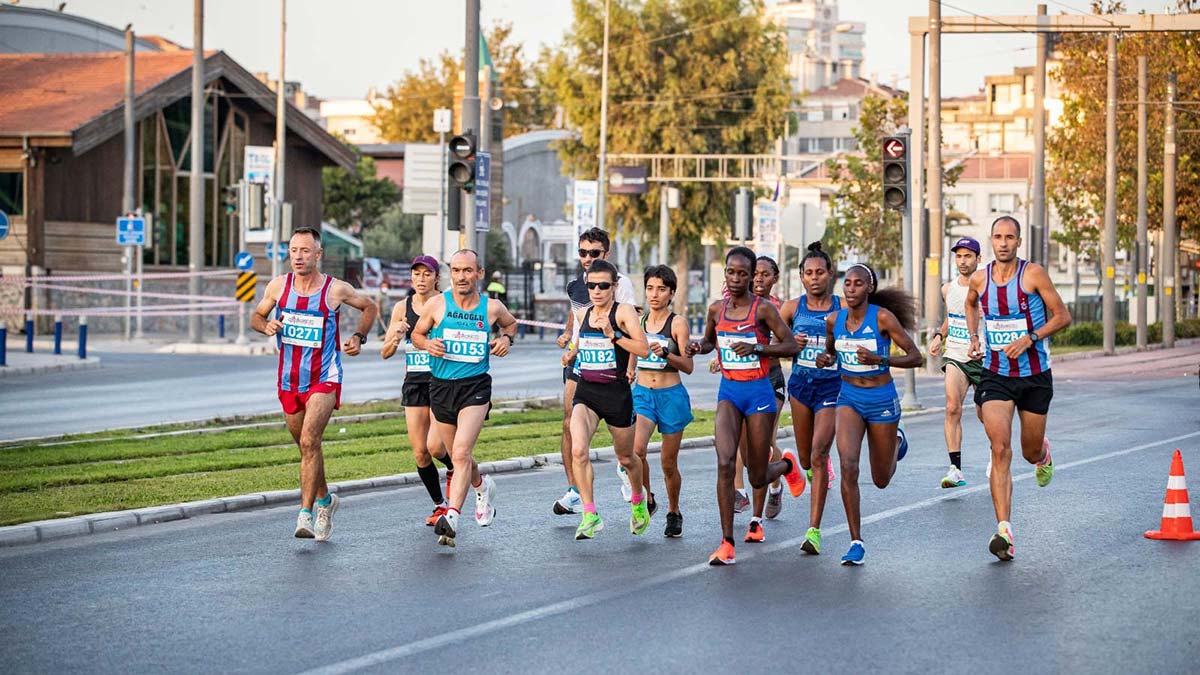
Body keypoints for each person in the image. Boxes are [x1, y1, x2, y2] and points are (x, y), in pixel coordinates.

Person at [252, 227, 378, 541]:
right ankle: (325, 500)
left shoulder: (335, 289)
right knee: (307, 447)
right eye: (294, 250)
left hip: (325, 377)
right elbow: (256, 316)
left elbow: (369, 307)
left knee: (310, 442)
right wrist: (266, 325)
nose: (298, 256)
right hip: (289, 379)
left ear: (318, 255)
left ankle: (305, 514)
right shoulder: (279, 286)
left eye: (305, 251)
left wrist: (358, 337)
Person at [686, 247, 802, 566]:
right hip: (729, 392)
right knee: (725, 462)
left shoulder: (763, 309)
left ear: (751, 276)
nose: (736, 278)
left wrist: (758, 347)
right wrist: (698, 346)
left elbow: (790, 345)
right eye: (730, 272)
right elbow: (710, 341)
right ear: (725, 273)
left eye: (742, 273)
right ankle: (726, 542)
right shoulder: (715, 309)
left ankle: (788, 466)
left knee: (757, 474)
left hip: (759, 393)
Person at [965, 216, 1071, 561]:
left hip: (1035, 373)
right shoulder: (980, 279)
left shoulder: (1034, 274)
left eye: (1010, 237)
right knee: (999, 448)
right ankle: (1004, 530)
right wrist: (973, 336)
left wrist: (1031, 337)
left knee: (1028, 452)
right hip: (996, 373)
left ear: (1019, 241)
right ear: (991, 241)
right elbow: (970, 303)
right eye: (998, 237)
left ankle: (1043, 453)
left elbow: (1062, 316)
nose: (1004, 243)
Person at [410, 249, 519, 547]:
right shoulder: (436, 304)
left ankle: (452, 516)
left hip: (476, 387)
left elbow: (511, 325)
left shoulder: (491, 307)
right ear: (450, 273)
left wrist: (506, 339)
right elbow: (417, 336)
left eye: (467, 271)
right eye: (456, 270)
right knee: (458, 453)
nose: (461, 276)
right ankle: (482, 487)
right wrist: (427, 344)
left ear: (479, 273)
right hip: (442, 387)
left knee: (459, 453)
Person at [815, 262, 922, 565]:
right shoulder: (833, 320)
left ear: (869, 288)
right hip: (848, 397)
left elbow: (916, 356)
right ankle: (856, 541)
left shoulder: (883, 318)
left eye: (858, 284)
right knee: (848, 466)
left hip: (881, 399)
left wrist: (881, 359)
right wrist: (826, 358)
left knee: (881, 479)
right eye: (847, 283)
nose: (850, 288)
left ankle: (897, 442)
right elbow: (833, 352)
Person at [562, 259, 651, 539]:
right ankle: (590, 514)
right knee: (578, 451)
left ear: (614, 286)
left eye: (603, 285)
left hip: (617, 394)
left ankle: (638, 501)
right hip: (587, 392)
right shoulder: (584, 313)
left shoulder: (623, 312)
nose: (596, 290)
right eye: (591, 285)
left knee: (627, 457)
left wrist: (614, 336)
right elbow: (581, 342)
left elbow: (644, 348)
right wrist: (571, 353)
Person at [554, 228, 638, 516]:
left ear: (606, 254)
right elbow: (577, 315)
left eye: (594, 253)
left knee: (624, 447)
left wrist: (630, 366)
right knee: (568, 423)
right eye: (583, 252)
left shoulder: (619, 283)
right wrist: (569, 338)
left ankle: (627, 469)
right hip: (581, 361)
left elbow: (631, 324)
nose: (587, 258)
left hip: (613, 366)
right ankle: (575, 490)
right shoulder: (577, 284)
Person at [778, 242, 842, 555]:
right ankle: (796, 466)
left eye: (820, 272)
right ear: (802, 277)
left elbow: (858, 338)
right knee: (806, 460)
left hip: (832, 387)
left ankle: (813, 530)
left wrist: (834, 353)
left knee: (818, 454)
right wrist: (791, 341)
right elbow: (772, 340)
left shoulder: (843, 307)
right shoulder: (792, 308)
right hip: (801, 386)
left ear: (830, 274)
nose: (814, 277)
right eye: (808, 273)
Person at [382, 255, 455, 525]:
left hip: (442, 380)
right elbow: (386, 352)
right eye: (416, 274)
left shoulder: (447, 304)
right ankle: (439, 505)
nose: (421, 279)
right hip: (414, 382)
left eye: (427, 274)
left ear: (437, 278)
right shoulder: (402, 308)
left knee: (436, 447)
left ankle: (454, 465)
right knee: (420, 452)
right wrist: (396, 336)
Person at [627, 265, 694, 537]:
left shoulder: (677, 323)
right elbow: (633, 348)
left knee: (668, 463)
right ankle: (648, 498)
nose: (654, 295)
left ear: (672, 293)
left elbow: (688, 366)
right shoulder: (638, 321)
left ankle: (674, 511)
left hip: (671, 397)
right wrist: (630, 369)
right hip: (642, 394)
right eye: (650, 288)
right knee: (636, 451)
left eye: (662, 289)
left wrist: (666, 353)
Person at [733, 256, 791, 544]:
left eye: (764, 275)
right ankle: (754, 487)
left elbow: (787, 345)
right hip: (742, 381)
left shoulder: (775, 309)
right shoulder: (737, 306)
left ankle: (765, 491)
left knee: (763, 442)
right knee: (742, 443)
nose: (758, 279)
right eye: (754, 274)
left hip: (771, 381)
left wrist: (757, 348)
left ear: (774, 278)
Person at [929, 237, 986, 489]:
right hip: (956, 355)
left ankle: (997, 455)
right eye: (959, 256)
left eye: (968, 256)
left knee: (988, 415)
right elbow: (952, 317)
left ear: (978, 259)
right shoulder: (947, 289)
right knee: (952, 408)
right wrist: (939, 336)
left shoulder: (987, 287)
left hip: (984, 357)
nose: (963, 261)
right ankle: (955, 469)